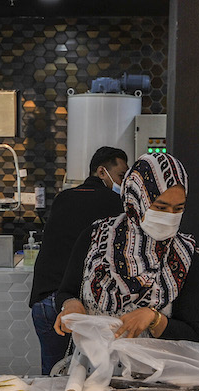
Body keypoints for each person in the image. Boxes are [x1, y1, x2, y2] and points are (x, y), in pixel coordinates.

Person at [53, 152, 199, 344]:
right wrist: (71, 305)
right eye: (160, 207)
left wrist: (154, 319)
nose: (170, 216)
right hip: (96, 365)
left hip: (158, 369)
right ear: (136, 199)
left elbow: (193, 334)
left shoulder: (184, 255)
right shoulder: (96, 237)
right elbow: (66, 291)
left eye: (178, 209)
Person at [29, 146, 128, 374]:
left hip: (44, 303)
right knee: (89, 377)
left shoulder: (63, 198)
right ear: (102, 172)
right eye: (121, 175)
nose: (123, 181)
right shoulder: (115, 203)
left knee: (53, 376)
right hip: (79, 305)